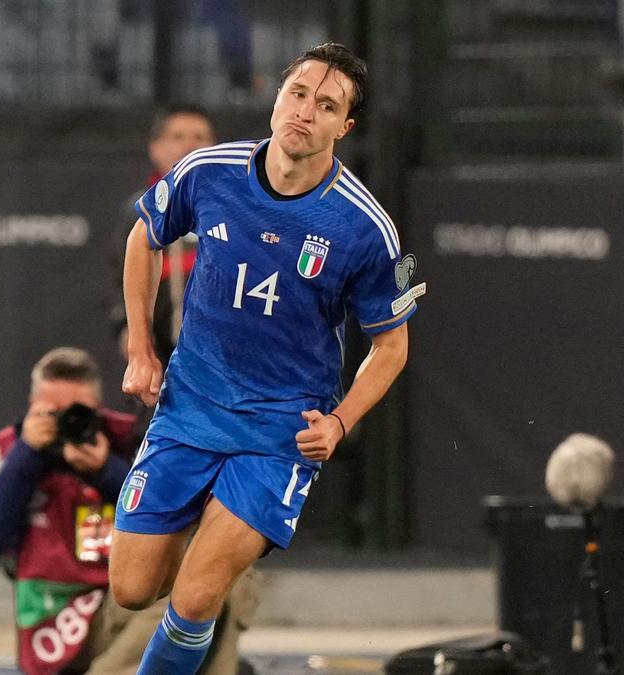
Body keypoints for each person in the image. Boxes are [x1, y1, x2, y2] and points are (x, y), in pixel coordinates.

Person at [114, 42, 421, 674]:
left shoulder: (365, 227)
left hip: (279, 430)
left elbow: (391, 345)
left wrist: (340, 422)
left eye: (326, 105)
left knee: (195, 597)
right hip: (189, 406)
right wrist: (142, 350)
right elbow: (144, 236)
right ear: (278, 97)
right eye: (298, 94)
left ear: (344, 127)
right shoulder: (209, 171)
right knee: (133, 589)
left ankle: (221, 550)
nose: (305, 111)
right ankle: (211, 535)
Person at [0, 348, 258, 674]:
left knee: (214, 570)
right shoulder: (11, 450)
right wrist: (28, 455)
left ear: (98, 408)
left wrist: (106, 471)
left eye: (79, 412)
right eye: (53, 413)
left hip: (121, 602)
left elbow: (176, 515)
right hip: (54, 616)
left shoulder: (127, 442)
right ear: (33, 406)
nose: (68, 422)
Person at [111, 105, 217, 364]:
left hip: (220, 358)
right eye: (178, 137)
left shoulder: (229, 209)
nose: (190, 145)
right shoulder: (139, 213)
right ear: (155, 148)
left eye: (200, 137)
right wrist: (128, 330)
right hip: (159, 355)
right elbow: (119, 281)